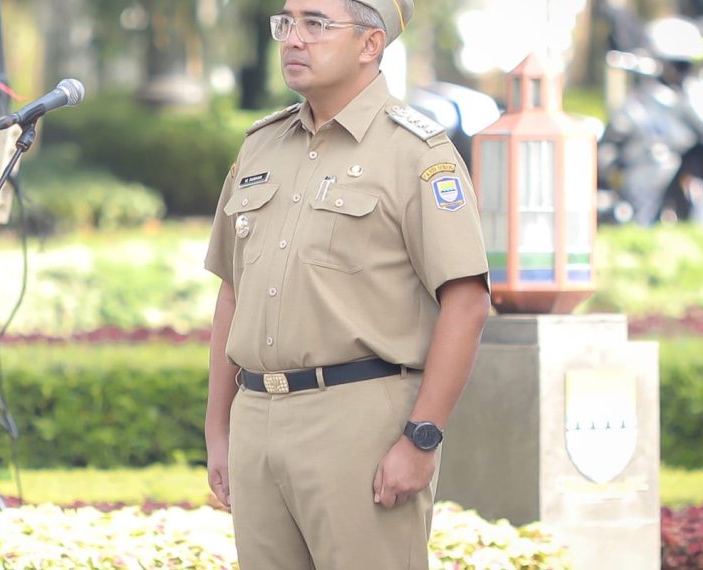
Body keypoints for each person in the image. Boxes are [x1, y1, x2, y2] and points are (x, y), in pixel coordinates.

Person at [202, 0, 491, 568]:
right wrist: (219, 430)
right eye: (286, 23)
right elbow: (232, 293)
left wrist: (421, 439)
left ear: (370, 44)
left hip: (358, 422)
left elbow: (467, 304)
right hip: (258, 418)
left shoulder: (417, 153)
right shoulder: (260, 146)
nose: (293, 39)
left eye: (315, 23)